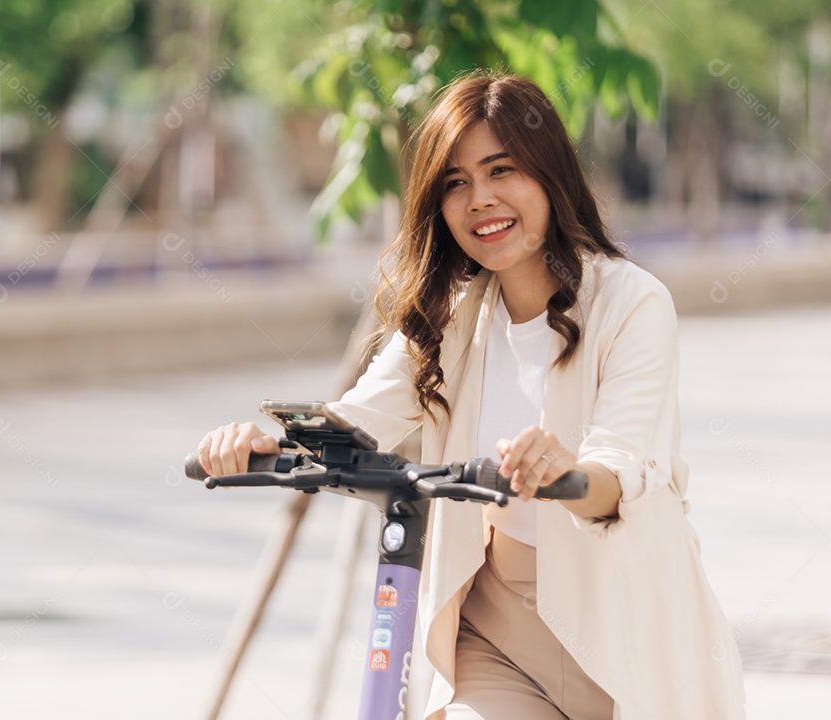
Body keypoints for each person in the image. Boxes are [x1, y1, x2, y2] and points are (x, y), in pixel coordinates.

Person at [194, 72, 746, 719]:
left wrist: (564, 471)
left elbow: (623, 467)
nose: (479, 199)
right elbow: (359, 415)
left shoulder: (633, 302)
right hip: (494, 626)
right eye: (455, 182)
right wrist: (263, 444)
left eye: (500, 170)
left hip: (622, 627)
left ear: (549, 174)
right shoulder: (450, 314)